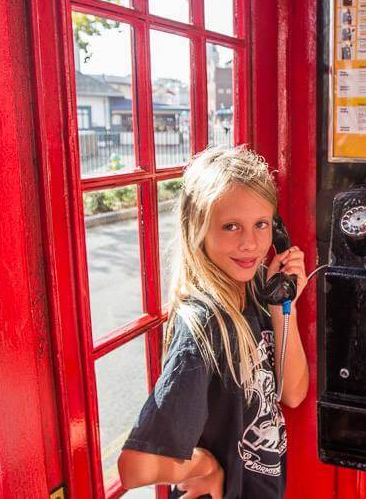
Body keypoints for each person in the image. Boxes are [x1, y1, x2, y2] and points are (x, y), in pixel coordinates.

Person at [117, 145, 309, 498]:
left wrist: (286, 304)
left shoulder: (252, 293)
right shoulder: (205, 326)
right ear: (198, 230)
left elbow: (294, 393)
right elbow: (135, 466)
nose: (250, 243)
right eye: (231, 226)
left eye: (261, 224)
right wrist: (203, 467)